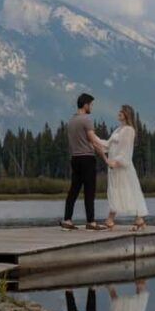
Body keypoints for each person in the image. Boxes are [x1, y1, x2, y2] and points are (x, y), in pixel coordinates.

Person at [97, 104, 148, 232]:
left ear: (127, 114)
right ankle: (138, 220)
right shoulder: (118, 129)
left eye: (122, 111)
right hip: (114, 168)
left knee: (129, 190)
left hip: (122, 167)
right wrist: (94, 139)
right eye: (119, 111)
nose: (119, 113)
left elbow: (126, 151)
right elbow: (108, 145)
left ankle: (112, 219)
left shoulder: (129, 130)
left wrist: (117, 162)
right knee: (116, 191)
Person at [61, 93, 107, 231]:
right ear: (86, 104)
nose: (92, 107)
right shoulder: (86, 120)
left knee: (73, 190)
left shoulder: (71, 121)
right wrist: (105, 157)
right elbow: (94, 141)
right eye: (91, 104)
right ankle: (91, 222)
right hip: (87, 158)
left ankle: (67, 220)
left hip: (75, 158)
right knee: (89, 191)